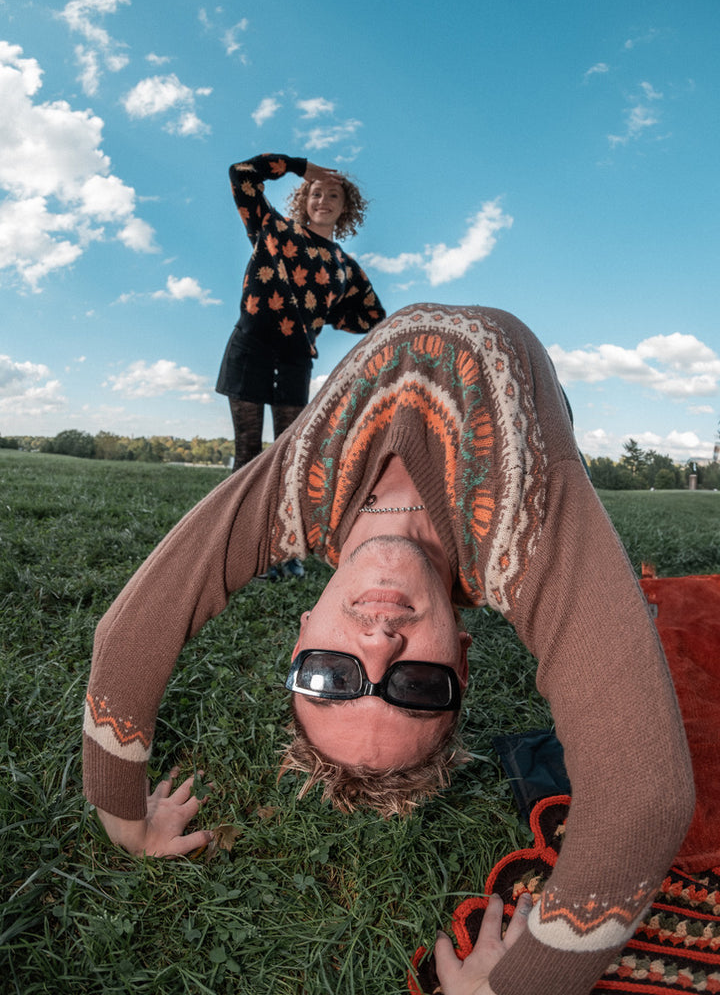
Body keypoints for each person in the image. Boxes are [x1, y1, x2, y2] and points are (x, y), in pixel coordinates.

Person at [83, 303, 693, 995]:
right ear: (463, 659)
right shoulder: (525, 543)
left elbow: (127, 634)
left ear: (302, 632)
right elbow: (644, 799)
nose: (377, 644)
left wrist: (128, 826)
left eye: (332, 677)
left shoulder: (294, 497)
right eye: (416, 686)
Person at [216, 153, 385, 472]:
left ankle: (278, 523)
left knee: (288, 461)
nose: (324, 200)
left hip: (296, 361)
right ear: (305, 199)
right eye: (316, 193)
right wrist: (298, 167)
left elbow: (372, 317)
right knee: (246, 456)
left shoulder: (346, 268)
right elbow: (240, 174)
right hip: (250, 348)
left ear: (345, 207)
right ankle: (235, 523)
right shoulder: (273, 228)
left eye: (334, 195)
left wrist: (326, 313)